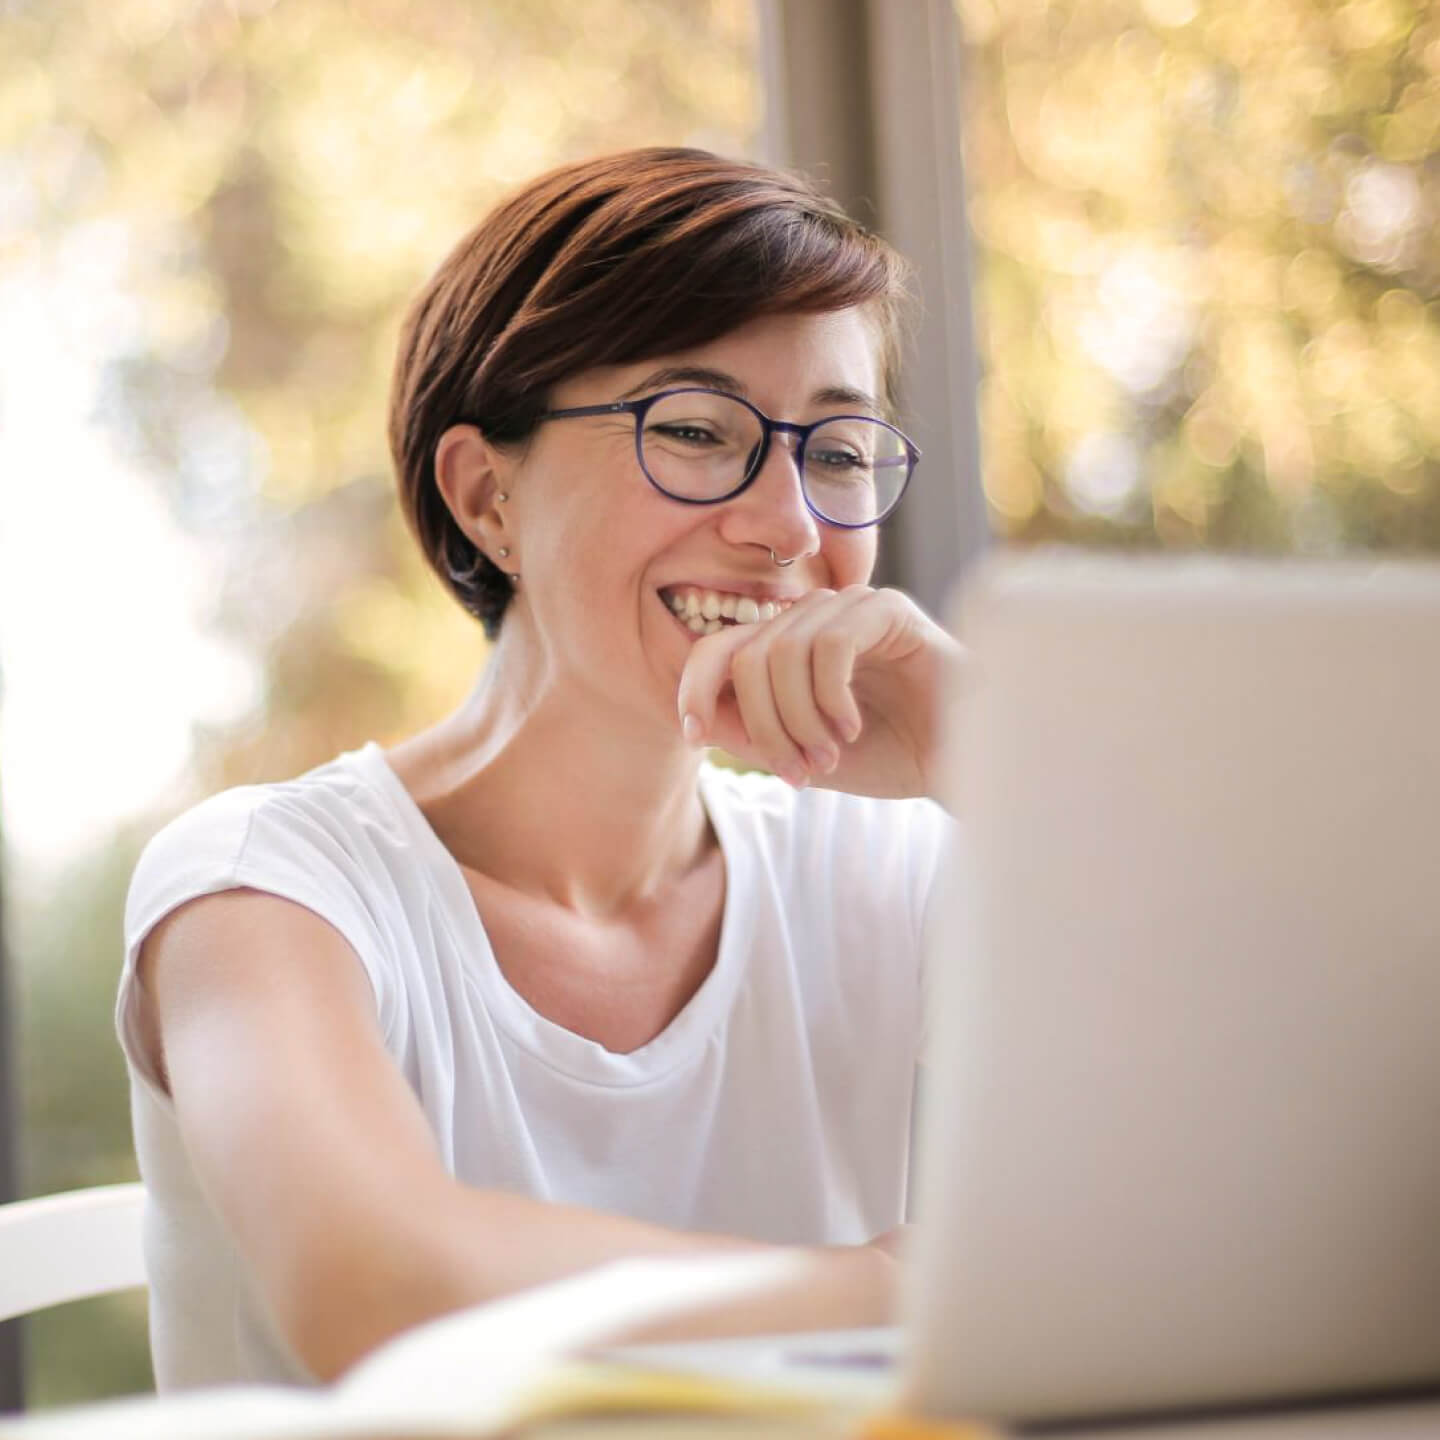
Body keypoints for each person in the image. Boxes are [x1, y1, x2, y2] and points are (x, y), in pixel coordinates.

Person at [117, 147, 962, 1391]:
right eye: (693, 428)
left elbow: (1267, 1169)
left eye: (836, 453)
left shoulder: (884, 861)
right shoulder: (266, 891)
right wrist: (908, 1288)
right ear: (486, 497)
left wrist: (985, 757)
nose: (788, 524)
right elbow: (385, 1292)